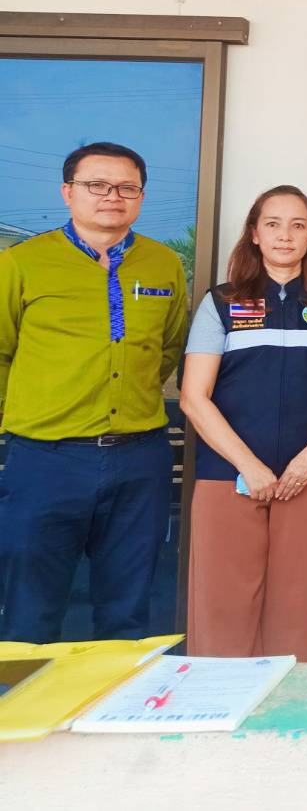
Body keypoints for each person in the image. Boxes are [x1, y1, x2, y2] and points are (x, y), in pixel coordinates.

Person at [0, 142, 189, 642]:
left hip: (139, 458)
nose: (112, 196)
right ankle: (22, 718)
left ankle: (115, 717)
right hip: (46, 459)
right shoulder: (21, 263)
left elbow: (168, 349)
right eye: (97, 185)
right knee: (31, 609)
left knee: (127, 611)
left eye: (127, 187)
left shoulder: (164, 264)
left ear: (141, 197)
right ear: (68, 192)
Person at [179, 186, 307, 662]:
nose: (286, 235)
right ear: (255, 234)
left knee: (301, 607)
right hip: (228, 478)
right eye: (274, 224)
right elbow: (193, 398)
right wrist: (248, 466)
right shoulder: (220, 303)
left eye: (298, 225)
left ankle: (293, 719)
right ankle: (220, 715)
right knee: (222, 606)